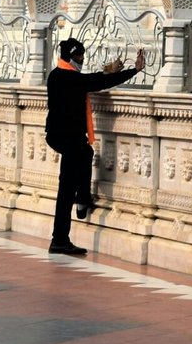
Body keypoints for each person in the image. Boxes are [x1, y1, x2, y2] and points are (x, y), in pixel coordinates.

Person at [47, 39, 144, 256]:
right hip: (69, 139)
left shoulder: (56, 75)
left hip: (61, 137)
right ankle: (60, 238)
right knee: (65, 191)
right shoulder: (70, 78)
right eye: (79, 57)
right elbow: (94, 82)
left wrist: (107, 71)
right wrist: (134, 70)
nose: (82, 59)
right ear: (70, 57)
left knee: (86, 153)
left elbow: (88, 80)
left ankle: (82, 199)